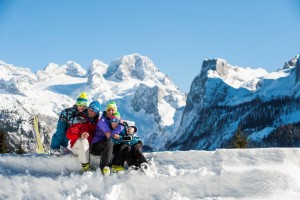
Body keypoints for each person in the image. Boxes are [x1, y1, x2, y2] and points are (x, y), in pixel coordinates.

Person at [66, 101, 101, 172]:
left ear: (97, 113)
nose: (90, 112)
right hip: (77, 147)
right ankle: (85, 167)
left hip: (89, 147)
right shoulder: (80, 119)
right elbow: (69, 134)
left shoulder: (98, 122)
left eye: (93, 111)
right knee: (83, 140)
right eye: (89, 109)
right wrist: (80, 135)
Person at [90, 101, 122, 175]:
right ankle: (104, 167)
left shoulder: (115, 120)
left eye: (112, 110)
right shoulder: (103, 120)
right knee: (109, 142)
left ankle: (117, 165)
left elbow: (122, 130)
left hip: (107, 146)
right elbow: (110, 135)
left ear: (116, 111)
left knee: (122, 145)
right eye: (108, 110)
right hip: (96, 146)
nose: (110, 112)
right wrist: (121, 125)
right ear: (106, 111)